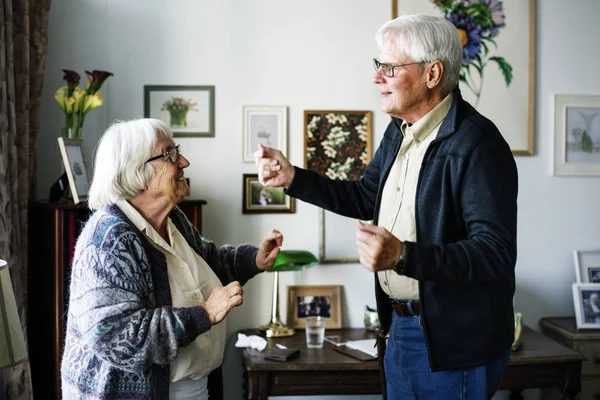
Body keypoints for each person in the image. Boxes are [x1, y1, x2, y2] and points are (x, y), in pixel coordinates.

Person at [255, 14, 518, 400]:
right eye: (379, 66)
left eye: (390, 67)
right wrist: (293, 178)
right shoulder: (399, 132)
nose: (377, 78)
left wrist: (403, 255)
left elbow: (494, 253)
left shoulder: (478, 144)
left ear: (433, 74)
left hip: (452, 344)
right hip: (399, 328)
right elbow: (365, 196)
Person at [61, 118, 284, 400]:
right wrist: (204, 314)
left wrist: (255, 260)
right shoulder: (108, 240)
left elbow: (209, 262)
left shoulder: (172, 219)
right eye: (170, 154)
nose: (184, 162)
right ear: (137, 171)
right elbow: (117, 339)